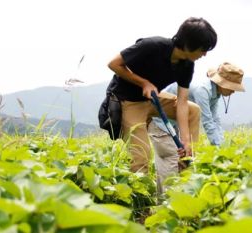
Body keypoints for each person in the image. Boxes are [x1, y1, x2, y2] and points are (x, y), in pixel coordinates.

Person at [104, 17, 217, 173]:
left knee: (193, 110)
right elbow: (113, 64)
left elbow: (182, 102)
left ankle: (186, 162)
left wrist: (185, 141)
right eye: (203, 49)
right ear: (189, 44)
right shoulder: (152, 46)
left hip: (152, 99)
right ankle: (139, 195)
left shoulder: (187, 65)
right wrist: (143, 83)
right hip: (128, 101)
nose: (204, 54)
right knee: (142, 156)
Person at [148, 62, 244, 188]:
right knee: (171, 160)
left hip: (174, 125)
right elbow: (207, 121)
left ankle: (171, 201)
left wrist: (223, 147)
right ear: (222, 83)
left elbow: (215, 120)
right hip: (160, 122)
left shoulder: (215, 94)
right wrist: (220, 151)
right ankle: (166, 203)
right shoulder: (202, 91)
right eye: (232, 87)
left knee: (178, 163)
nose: (233, 91)